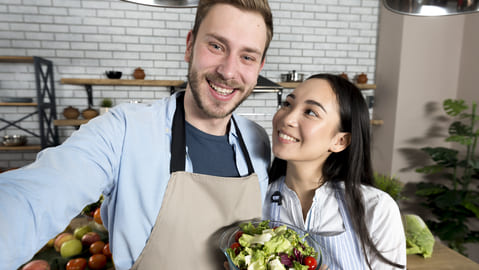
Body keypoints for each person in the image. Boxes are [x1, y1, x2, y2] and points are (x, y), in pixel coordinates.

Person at [0, 1, 273, 269]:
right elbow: (32, 199)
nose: (227, 71)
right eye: (216, 46)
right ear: (189, 45)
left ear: (259, 67)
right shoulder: (124, 132)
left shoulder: (256, 140)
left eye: (247, 56)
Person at [263, 74, 406, 269]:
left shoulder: (376, 209)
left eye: (311, 112)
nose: (287, 118)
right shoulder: (256, 200)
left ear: (340, 141)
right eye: (288, 104)